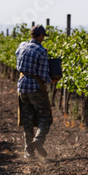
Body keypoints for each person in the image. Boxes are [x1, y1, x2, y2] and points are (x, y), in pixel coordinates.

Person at [16, 25, 54, 160]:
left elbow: (19, 58)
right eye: (43, 36)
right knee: (45, 117)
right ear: (41, 36)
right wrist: (51, 80)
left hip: (22, 87)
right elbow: (43, 75)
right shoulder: (41, 51)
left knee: (27, 120)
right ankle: (38, 140)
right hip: (34, 87)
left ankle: (28, 152)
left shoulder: (21, 45)